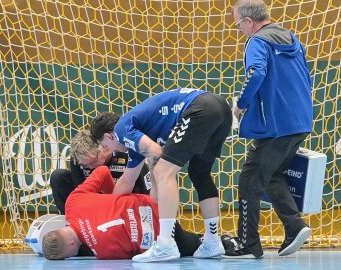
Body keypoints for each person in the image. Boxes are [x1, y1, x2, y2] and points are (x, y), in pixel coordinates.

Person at [90, 88, 232, 262]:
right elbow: (127, 181)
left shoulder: (121, 129)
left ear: (109, 136)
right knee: (199, 173)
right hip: (221, 109)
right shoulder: (135, 139)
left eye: (104, 146)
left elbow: (156, 153)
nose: (109, 151)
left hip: (199, 108)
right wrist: (108, 213)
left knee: (163, 171)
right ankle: (212, 241)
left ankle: (165, 244)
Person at [223, 0, 313, 259]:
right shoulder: (292, 38)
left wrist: (240, 104)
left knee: (250, 179)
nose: (239, 29)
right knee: (271, 175)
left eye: (238, 24)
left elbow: (256, 72)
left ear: (249, 22)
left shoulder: (257, 42)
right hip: (300, 122)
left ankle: (248, 243)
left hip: (276, 126)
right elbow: (307, 78)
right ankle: (295, 226)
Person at [42, 166, 236, 260]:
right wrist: (113, 198)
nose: (71, 256)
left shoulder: (103, 253)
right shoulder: (72, 204)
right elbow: (102, 171)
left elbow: (134, 254)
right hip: (157, 203)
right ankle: (159, 164)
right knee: (158, 175)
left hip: (163, 235)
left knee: (194, 246)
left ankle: (224, 241)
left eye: (67, 255)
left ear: (69, 243)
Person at [50, 129, 151, 215]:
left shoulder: (127, 154)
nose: (89, 167)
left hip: (126, 207)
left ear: (104, 148)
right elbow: (80, 195)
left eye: (93, 162)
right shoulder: (79, 161)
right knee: (58, 176)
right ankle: (71, 222)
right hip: (94, 205)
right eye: (85, 166)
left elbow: (148, 192)